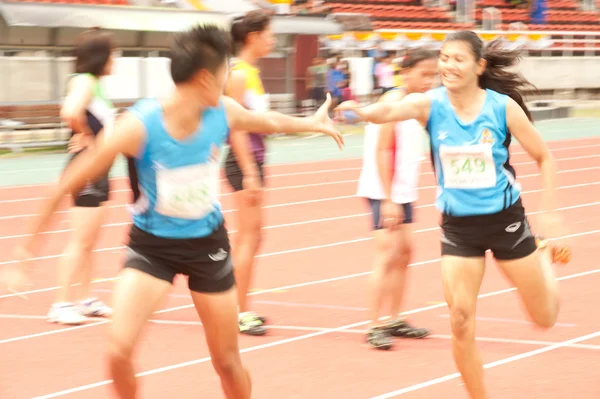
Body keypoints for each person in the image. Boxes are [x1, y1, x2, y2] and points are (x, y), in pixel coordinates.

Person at [5, 24, 343, 399]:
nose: (228, 78)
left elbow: (268, 121)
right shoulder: (137, 126)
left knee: (227, 362)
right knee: (117, 351)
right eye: (223, 71)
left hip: (208, 247)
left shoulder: (222, 110)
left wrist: (311, 123)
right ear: (203, 77)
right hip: (152, 249)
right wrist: (26, 251)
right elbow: (63, 186)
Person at [337, 30, 570, 398]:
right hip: (458, 228)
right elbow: (392, 110)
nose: (448, 66)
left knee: (545, 318)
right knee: (460, 320)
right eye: (444, 58)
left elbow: (545, 158)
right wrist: (362, 111)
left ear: (479, 66)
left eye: (458, 59)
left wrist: (551, 211)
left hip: (505, 220)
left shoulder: (502, 107)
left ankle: (540, 256)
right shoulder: (430, 104)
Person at [356, 48, 438, 350]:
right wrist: (389, 199)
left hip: (403, 189)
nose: (429, 80)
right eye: (423, 74)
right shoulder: (393, 102)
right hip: (383, 189)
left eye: (433, 75)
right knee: (387, 253)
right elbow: (381, 149)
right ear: (406, 73)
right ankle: (373, 324)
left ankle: (393, 317)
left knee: (405, 253)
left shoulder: (417, 104)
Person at [48, 28, 115, 325]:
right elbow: (69, 111)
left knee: (89, 241)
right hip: (85, 168)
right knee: (79, 240)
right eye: (113, 53)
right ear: (101, 56)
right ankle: (61, 303)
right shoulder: (85, 81)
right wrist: (85, 135)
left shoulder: (96, 86)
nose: (116, 59)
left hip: (99, 170)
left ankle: (86, 299)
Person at [223, 10, 275, 336]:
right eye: (269, 34)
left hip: (254, 162)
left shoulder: (251, 73)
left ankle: (239, 305)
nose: (273, 40)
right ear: (253, 37)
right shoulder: (239, 74)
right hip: (244, 164)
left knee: (253, 238)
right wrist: (248, 172)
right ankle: (237, 312)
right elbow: (235, 128)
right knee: (247, 239)